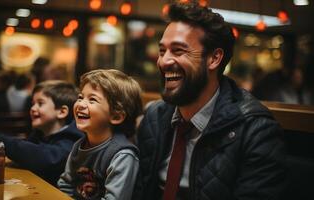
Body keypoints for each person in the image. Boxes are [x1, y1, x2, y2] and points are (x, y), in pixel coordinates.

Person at [134, 2, 286, 200]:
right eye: (162, 51)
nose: (163, 61)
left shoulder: (256, 131)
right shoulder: (155, 116)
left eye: (178, 51)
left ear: (214, 59)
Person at [0, 80, 83, 185]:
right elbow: (25, 150)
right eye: (33, 103)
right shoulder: (39, 134)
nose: (33, 108)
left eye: (40, 103)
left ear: (62, 112)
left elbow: (46, 159)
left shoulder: (72, 139)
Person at [58, 69, 142, 200]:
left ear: (116, 116)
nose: (80, 104)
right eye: (80, 97)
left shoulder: (123, 155)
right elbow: (66, 185)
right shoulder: (80, 145)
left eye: (92, 100)